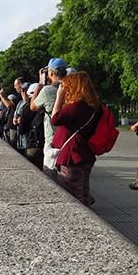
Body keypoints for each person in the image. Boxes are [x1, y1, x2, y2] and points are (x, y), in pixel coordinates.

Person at [50, 71, 102, 206]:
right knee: (83, 192)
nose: (66, 91)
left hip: (72, 157)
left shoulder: (76, 106)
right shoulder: (94, 106)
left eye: (67, 88)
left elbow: (55, 119)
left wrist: (59, 96)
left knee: (73, 196)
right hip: (84, 154)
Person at [29, 58, 68, 173]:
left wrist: (40, 84)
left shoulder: (47, 90)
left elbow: (33, 106)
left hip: (52, 139)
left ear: (51, 73)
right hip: (68, 138)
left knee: (50, 173)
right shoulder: (72, 88)